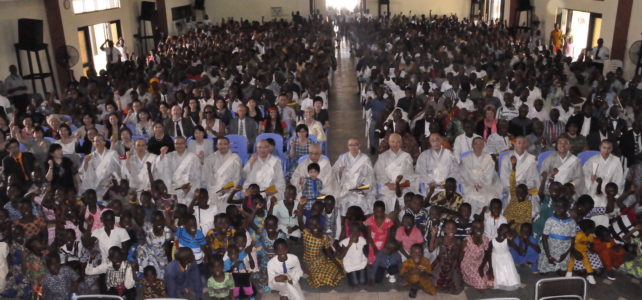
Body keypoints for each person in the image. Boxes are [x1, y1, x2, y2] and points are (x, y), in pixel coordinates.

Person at [296, 198, 344, 287]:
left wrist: (338, 265)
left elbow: (329, 253)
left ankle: (333, 267)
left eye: (316, 224)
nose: (314, 227)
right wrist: (301, 205)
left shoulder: (324, 237)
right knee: (318, 279)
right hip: (310, 263)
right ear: (308, 226)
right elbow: (300, 220)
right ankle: (312, 273)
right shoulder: (306, 233)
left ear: (321, 225)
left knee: (333, 270)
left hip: (320, 261)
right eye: (311, 225)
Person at [459, 137, 502, 216]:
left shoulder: (488, 159)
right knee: (470, 196)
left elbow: (489, 174)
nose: (478, 146)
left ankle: (486, 219)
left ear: (483, 146)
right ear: (472, 145)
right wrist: (474, 184)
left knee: (491, 197)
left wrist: (481, 183)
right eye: (476, 144)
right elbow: (465, 174)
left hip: (486, 185)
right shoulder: (466, 159)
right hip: (470, 185)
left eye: (480, 144)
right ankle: (471, 218)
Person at [374, 133, 415, 212]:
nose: (395, 144)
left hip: (402, 186)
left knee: (406, 199)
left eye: (398, 142)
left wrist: (400, 185)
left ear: (401, 143)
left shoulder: (407, 156)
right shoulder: (382, 156)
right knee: (385, 200)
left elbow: (410, 174)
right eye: (392, 142)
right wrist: (388, 184)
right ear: (389, 143)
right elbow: (379, 173)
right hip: (387, 186)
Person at [333, 138, 375, 215]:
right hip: (346, 189)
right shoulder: (343, 158)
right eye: (350, 145)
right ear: (348, 146)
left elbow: (370, 177)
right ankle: (345, 222)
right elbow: (334, 172)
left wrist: (361, 188)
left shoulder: (365, 159)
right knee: (342, 201)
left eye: (355, 145)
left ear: (359, 146)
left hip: (360, 189)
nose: (353, 147)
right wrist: (339, 172)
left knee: (362, 202)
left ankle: (361, 223)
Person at [154, 136, 201, 204]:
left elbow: (197, 176)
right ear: (174, 145)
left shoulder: (193, 157)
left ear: (185, 144)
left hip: (188, 188)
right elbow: (159, 166)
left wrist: (189, 187)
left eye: (181, 143)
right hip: (173, 188)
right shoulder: (170, 155)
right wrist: (162, 154)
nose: (179, 145)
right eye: (177, 143)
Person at [202, 137, 242, 212]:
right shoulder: (210, 159)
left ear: (229, 145)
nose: (223, 146)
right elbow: (207, 177)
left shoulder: (235, 158)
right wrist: (216, 189)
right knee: (211, 209)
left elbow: (236, 178)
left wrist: (227, 188)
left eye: (225, 144)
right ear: (216, 146)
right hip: (214, 190)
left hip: (230, 191)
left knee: (228, 209)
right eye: (220, 144)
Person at [538, 198, 576, 274]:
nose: (558, 209)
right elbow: (544, 238)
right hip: (550, 249)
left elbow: (572, 239)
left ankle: (559, 267)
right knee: (543, 273)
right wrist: (549, 256)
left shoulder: (572, 222)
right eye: (556, 206)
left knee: (562, 272)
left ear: (567, 208)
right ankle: (548, 264)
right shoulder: (550, 220)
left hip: (564, 251)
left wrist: (566, 254)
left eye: (561, 207)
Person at [78, 135, 121, 201]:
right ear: (93, 143)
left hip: (108, 184)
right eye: (97, 141)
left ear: (104, 142)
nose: (99, 142)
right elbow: (83, 173)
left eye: (101, 140)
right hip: (94, 184)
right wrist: (86, 162)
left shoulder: (112, 154)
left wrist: (113, 181)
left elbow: (118, 169)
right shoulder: (89, 157)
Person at [499, 136, 540, 203]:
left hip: (527, 189)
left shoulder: (530, 159)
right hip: (512, 188)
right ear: (514, 144)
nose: (521, 145)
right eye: (519, 143)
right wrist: (515, 187)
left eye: (524, 143)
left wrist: (524, 188)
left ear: (526, 145)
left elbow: (533, 177)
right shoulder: (506, 158)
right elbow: (504, 177)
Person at [503, 156, 534, 232]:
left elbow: (527, 220)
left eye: (522, 192)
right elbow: (512, 182)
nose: (520, 194)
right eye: (518, 191)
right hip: (504, 222)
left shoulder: (528, 204)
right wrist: (513, 168)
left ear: (526, 193)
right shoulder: (514, 197)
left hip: (515, 227)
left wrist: (514, 222)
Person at [461, 220, 494, 289]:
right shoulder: (466, 241)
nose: (479, 230)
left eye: (481, 227)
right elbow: (460, 256)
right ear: (472, 229)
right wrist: (459, 271)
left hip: (480, 263)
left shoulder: (485, 239)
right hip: (468, 264)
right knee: (481, 284)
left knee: (491, 282)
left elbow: (488, 255)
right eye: (476, 227)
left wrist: (490, 268)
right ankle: (466, 279)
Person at [488, 224, 521, 291]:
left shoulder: (508, 240)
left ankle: (509, 282)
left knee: (509, 273)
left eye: (506, 232)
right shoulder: (492, 242)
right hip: (496, 259)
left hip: (507, 258)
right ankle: (500, 282)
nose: (504, 233)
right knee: (498, 273)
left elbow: (517, 249)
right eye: (502, 231)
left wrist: (511, 240)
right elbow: (488, 254)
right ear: (498, 231)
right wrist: (490, 267)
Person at [566, 219, 597, 284]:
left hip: (583, 251)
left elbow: (590, 244)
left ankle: (590, 275)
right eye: (593, 227)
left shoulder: (591, 236)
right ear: (588, 229)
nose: (594, 228)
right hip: (575, 250)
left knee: (587, 262)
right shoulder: (579, 235)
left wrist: (591, 249)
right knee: (571, 261)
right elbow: (573, 243)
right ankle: (569, 272)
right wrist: (574, 251)